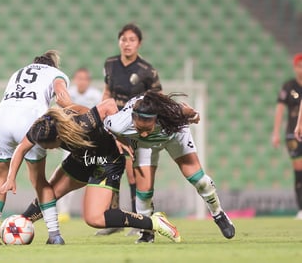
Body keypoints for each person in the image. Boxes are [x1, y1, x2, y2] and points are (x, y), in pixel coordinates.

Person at [0, 99, 182, 244]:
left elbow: (108, 104)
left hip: (107, 159)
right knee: (48, 193)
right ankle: (14, 227)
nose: (50, 149)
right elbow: (21, 149)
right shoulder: (41, 127)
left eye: (51, 147)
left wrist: (118, 134)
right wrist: (10, 178)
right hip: (82, 157)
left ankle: (154, 223)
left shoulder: (84, 124)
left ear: (60, 137)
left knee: (94, 217)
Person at [103, 90, 236, 242]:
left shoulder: (173, 112)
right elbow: (104, 122)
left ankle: (218, 214)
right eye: (140, 129)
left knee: (200, 180)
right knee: (144, 191)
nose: (145, 133)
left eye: (148, 128)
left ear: (157, 118)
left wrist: (194, 116)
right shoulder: (119, 123)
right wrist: (117, 138)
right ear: (133, 117)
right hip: (142, 145)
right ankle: (147, 232)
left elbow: (193, 114)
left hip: (173, 135)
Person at [0, 50, 73, 245]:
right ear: (53, 65)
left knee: (0, 178)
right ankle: (55, 235)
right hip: (30, 120)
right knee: (39, 180)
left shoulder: (17, 73)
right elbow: (61, 94)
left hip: (2, 120)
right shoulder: (55, 74)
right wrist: (71, 112)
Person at [100, 23, 162, 237]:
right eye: (124, 39)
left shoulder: (147, 71)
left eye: (132, 40)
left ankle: (140, 220)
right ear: (119, 41)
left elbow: (158, 99)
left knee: (133, 172)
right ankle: (115, 217)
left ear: (139, 43)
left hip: (135, 127)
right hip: (114, 125)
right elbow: (107, 91)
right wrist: (102, 115)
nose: (127, 44)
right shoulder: (109, 64)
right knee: (112, 168)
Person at [57, 67, 102, 221]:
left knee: (93, 175)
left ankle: (95, 210)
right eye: (79, 78)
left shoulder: (96, 95)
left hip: (91, 142)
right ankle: (63, 211)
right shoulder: (68, 93)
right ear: (75, 80)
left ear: (88, 81)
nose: (81, 81)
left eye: (85, 78)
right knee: (67, 173)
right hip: (71, 140)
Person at [278, 53, 302, 220]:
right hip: (293, 134)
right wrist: (275, 132)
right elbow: (279, 109)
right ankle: (301, 208)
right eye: (299, 66)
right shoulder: (288, 86)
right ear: (295, 67)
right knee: (299, 172)